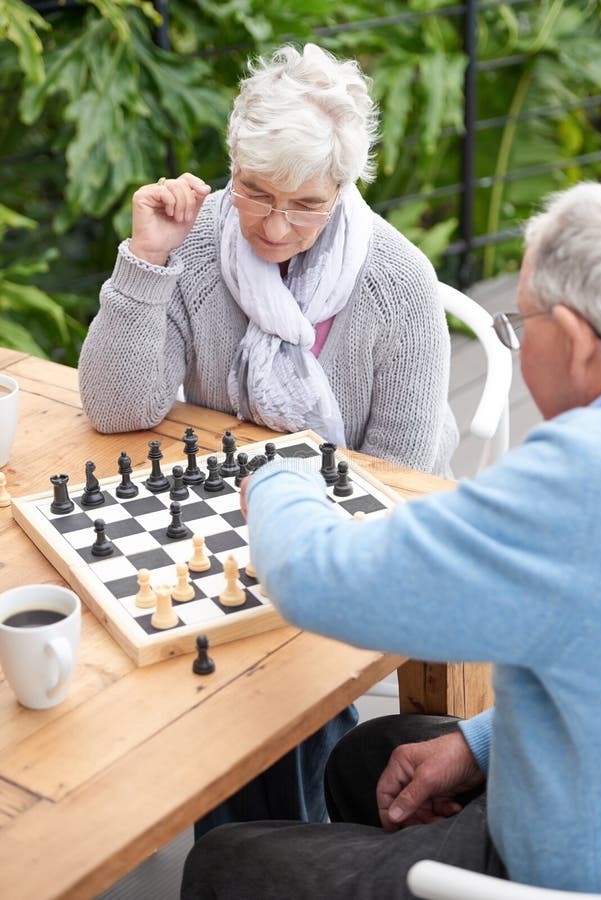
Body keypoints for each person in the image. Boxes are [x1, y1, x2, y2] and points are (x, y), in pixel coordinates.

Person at [180, 180, 601, 898]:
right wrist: (478, 743)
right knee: (365, 756)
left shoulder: (591, 474)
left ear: (580, 342)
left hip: (561, 871)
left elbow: (318, 578)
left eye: (521, 325)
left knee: (225, 862)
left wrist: (278, 477)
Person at [77, 45, 458, 835]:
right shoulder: (195, 241)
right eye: (256, 192)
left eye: (308, 204)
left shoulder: (400, 282)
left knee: (252, 685)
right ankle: (276, 846)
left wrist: (293, 531)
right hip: (224, 523)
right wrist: (146, 258)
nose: (277, 226)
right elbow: (117, 407)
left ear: (347, 186)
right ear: (232, 164)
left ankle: (265, 852)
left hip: (362, 533)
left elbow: (403, 479)